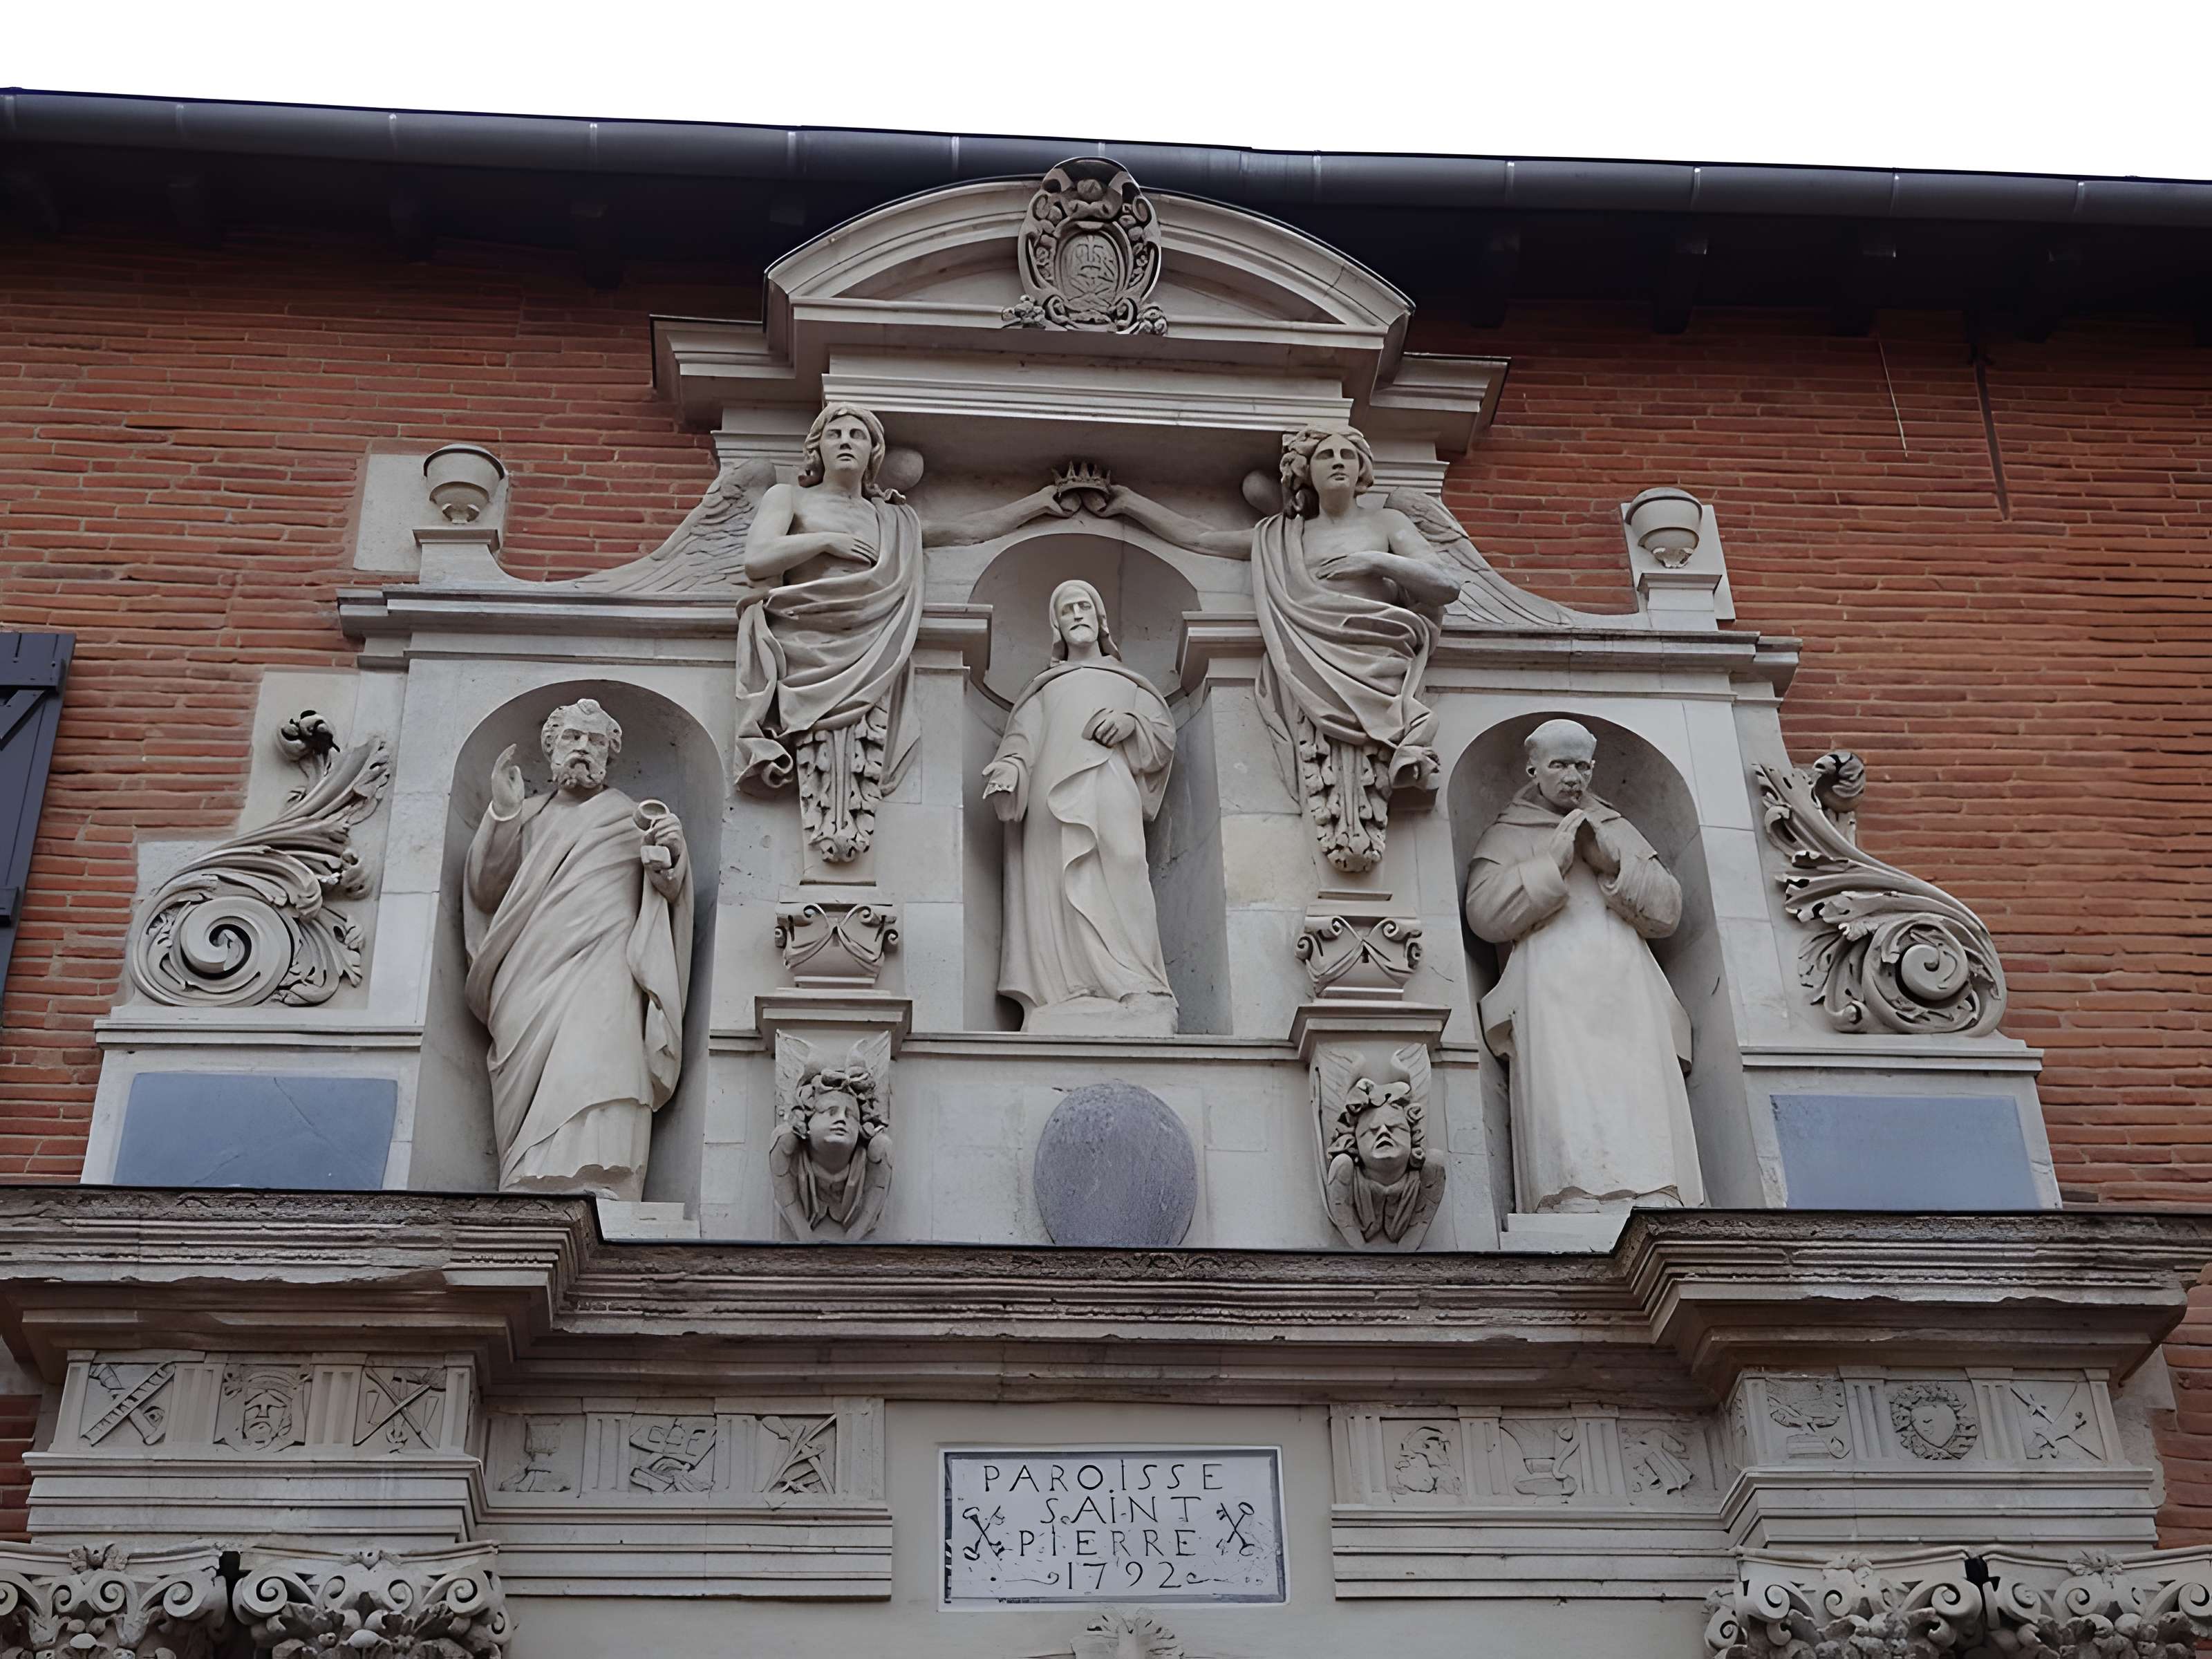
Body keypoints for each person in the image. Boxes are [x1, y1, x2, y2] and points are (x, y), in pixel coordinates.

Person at [1097, 424, 1461, 872]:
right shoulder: (1281, 537)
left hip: (1379, 659)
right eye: (1327, 456)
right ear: (1307, 472)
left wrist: (1375, 560)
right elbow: (1200, 538)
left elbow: (1446, 585)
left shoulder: (1387, 524)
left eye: (1349, 454)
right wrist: (1131, 504)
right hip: (1312, 661)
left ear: (1364, 469)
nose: (1339, 462)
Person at [735, 401, 1070, 862]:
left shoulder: (893, 518)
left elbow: (960, 531)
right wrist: (825, 541)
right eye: (836, 435)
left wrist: (1036, 505)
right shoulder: (789, 498)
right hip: (805, 644)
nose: (846, 442)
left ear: (874, 452)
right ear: (818, 448)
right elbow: (757, 558)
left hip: (875, 645)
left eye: (858, 435)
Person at [1463, 719, 1702, 1214]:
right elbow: (1484, 914)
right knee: (1565, 1086)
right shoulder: (1508, 832)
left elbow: (1668, 911)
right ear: (1534, 769)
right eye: (1559, 765)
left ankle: (1657, 1187)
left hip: (1626, 977)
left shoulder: (1616, 827)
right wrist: (1549, 865)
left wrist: (1614, 863)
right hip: (1549, 983)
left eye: (1580, 765)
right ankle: (1569, 1191)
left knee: (1639, 1079)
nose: (1572, 776)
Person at [463, 699, 691, 1200]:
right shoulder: (525, 816)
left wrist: (671, 858)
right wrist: (502, 813)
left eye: (594, 741)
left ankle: (602, 1176)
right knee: (538, 1074)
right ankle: (527, 1173)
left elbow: (666, 895)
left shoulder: (631, 817)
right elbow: (485, 891)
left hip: (605, 964)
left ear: (611, 753)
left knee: (599, 1059)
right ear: (551, 749)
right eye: (571, 738)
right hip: (526, 969)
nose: (582, 749)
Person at [983, 580, 1178, 1033]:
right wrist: (1010, 770)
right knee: (1057, 884)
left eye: (1084, 605)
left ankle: (1138, 983)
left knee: (1126, 863)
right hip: (1049, 798)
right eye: (1067, 608)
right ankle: (1067, 990)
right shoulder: (1043, 689)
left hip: (1111, 786)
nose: (1077, 614)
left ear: (1100, 616)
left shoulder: (1130, 684)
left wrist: (1130, 725)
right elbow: (1020, 743)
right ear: (1057, 624)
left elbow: (1162, 739)